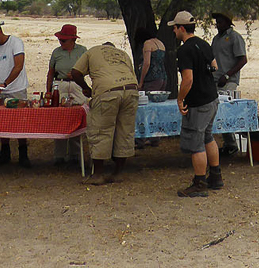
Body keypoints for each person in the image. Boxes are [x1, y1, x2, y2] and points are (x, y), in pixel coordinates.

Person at [67, 39, 139, 185]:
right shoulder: (123, 54)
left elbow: (75, 72)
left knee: (100, 130)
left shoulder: (92, 51)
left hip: (107, 91)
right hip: (131, 91)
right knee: (125, 131)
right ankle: (117, 173)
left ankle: (98, 175)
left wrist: (86, 88)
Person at [171, 10, 221, 197]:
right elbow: (215, 66)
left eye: (175, 28)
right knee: (208, 136)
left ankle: (199, 183)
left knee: (196, 142)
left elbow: (188, 80)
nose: (174, 31)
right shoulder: (203, 44)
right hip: (212, 98)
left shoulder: (185, 50)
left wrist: (180, 98)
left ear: (182, 28)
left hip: (198, 102)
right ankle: (215, 176)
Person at [0, 21, 30, 167]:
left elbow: (18, 66)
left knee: (21, 122)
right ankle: (5, 152)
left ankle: (23, 154)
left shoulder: (15, 42)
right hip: (1, 91)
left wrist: (5, 83)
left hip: (16, 89)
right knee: (2, 122)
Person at [46, 23, 87, 165]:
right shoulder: (56, 52)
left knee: (77, 116)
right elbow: (50, 73)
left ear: (73, 40)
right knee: (59, 118)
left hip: (77, 85)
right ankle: (59, 155)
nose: (60, 42)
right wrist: (49, 91)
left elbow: (89, 69)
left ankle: (76, 154)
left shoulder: (83, 51)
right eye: (60, 40)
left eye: (63, 40)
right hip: (61, 84)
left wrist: (78, 75)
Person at [210, 11, 247, 156]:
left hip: (229, 81)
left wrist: (227, 75)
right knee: (218, 113)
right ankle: (229, 144)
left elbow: (243, 59)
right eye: (216, 22)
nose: (217, 25)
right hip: (215, 80)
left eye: (220, 22)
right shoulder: (216, 39)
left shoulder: (234, 37)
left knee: (227, 111)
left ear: (227, 22)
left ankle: (233, 143)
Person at [136, 26, 168, 92]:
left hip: (152, 79)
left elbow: (147, 63)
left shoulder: (147, 44)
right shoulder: (160, 43)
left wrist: (141, 82)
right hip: (163, 78)